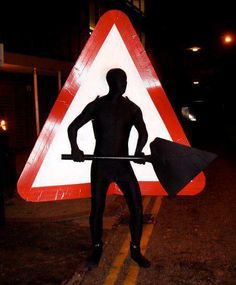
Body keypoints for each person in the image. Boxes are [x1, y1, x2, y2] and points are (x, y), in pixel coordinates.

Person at [67, 68, 150, 268]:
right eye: (122, 79)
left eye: (126, 79)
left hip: (122, 165)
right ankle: (96, 248)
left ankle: (135, 250)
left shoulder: (132, 108)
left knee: (137, 209)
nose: (125, 83)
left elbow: (143, 132)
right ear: (111, 81)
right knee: (97, 209)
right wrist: (75, 149)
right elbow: (73, 127)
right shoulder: (97, 106)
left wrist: (139, 151)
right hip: (101, 165)